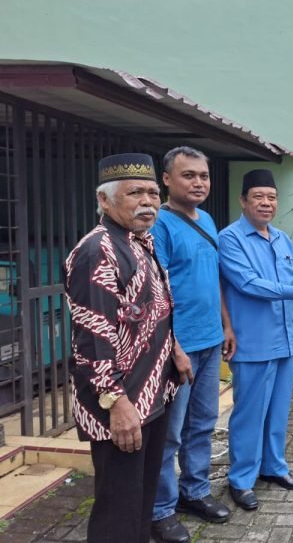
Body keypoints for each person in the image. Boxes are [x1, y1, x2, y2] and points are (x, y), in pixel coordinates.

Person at [64, 153, 193, 543]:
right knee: (117, 508)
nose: (148, 202)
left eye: (153, 193)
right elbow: (93, 338)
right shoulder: (97, 251)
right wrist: (116, 405)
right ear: (105, 201)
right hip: (120, 403)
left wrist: (176, 350)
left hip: (151, 394)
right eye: (134, 193)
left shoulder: (140, 242)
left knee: (141, 498)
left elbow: (154, 310)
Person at [219, 169, 293, 511]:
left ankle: (273, 468)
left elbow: (292, 272)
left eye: (271, 197)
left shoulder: (281, 238)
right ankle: (240, 479)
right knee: (249, 414)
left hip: (283, 340)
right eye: (259, 197)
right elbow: (247, 283)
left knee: (278, 411)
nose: (266, 203)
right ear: (243, 201)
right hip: (252, 343)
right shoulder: (230, 239)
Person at [150, 147, 236, 543]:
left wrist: (226, 325)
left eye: (203, 175)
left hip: (209, 339)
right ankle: (160, 509)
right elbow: (156, 293)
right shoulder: (160, 226)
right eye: (188, 175)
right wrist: (173, 347)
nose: (198, 182)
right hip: (178, 348)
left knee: (202, 424)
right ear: (167, 179)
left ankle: (195, 491)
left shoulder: (208, 219)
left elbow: (213, 277)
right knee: (170, 432)